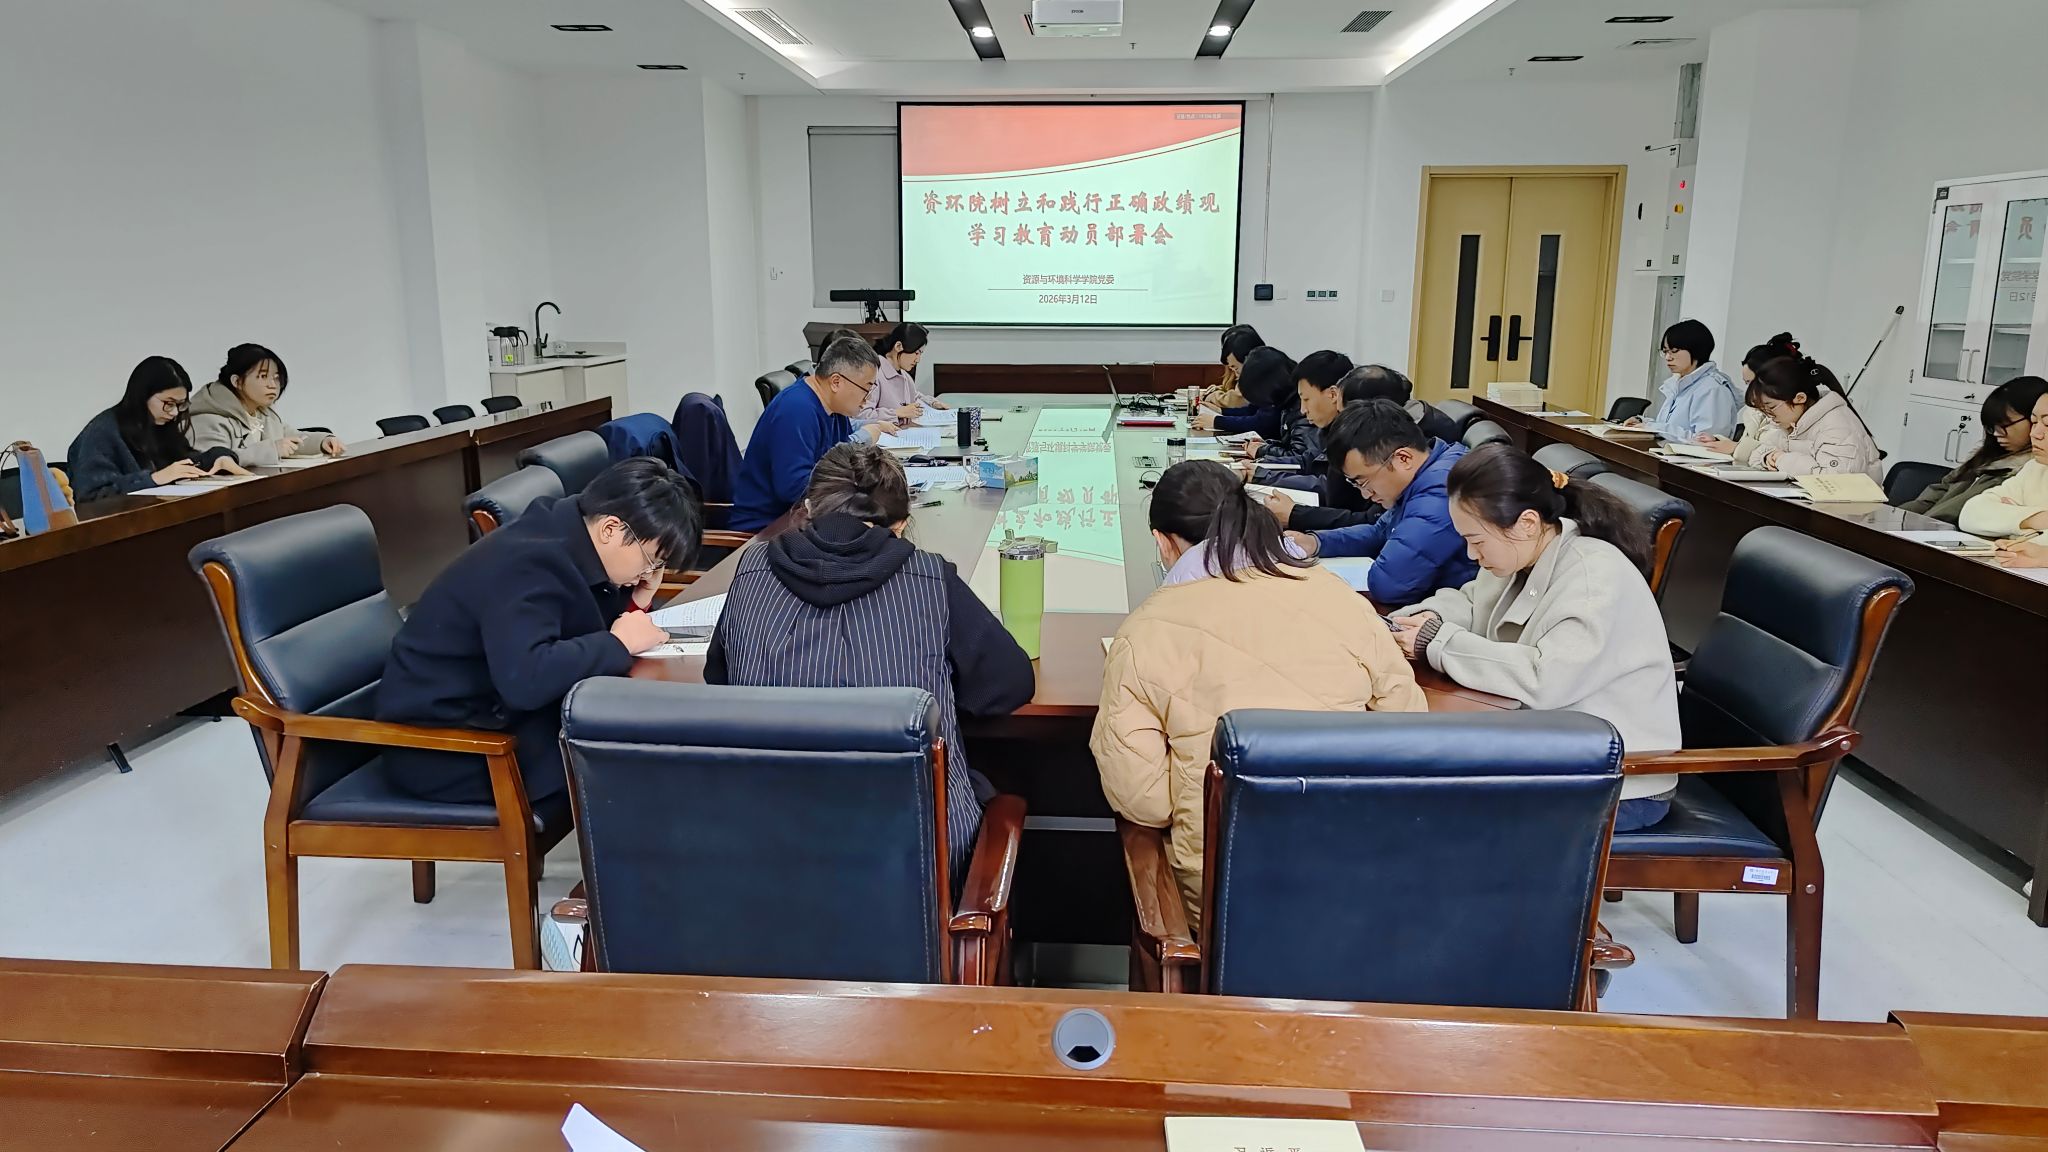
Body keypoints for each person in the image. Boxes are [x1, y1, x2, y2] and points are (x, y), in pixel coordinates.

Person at [1092, 460, 1426, 929]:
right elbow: (1407, 728)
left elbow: (1145, 802)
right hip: (1358, 879)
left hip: (1225, 901)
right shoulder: (1340, 598)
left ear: (1163, 542)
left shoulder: (1144, 633)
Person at [705, 443, 1034, 882]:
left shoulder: (751, 570)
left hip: (768, 862)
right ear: (901, 525)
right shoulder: (930, 579)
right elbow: (1009, 682)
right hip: (919, 870)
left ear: (808, 510)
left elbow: (719, 678)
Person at [377, 457, 701, 805]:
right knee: (635, 751)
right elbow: (527, 680)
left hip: (495, 712)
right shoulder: (529, 563)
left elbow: (582, 625)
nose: (650, 572)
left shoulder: (569, 533)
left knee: (639, 733)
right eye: (651, 560)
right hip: (447, 746)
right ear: (610, 529)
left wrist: (637, 601)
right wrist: (617, 643)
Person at [1390, 445, 1680, 830]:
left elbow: (1545, 680)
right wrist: (1430, 617)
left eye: (1477, 540)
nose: (1471, 554)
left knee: (1442, 810)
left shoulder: (1594, 578)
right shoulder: (1526, 551)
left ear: (1526, 522)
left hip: (1618, 783)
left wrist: (1439, 642)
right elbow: (1472, 601)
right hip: (1559, 753)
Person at [1285, 400, 1479, 608]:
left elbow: (1390, 585)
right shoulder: (1426, 473)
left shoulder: (1443, 488)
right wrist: (1315, 542)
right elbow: (1379, 532)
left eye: (1363, 482)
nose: (1365, 494)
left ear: (1403, 459)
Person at [731, 336, 896, 532]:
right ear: (836, 382)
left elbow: (843, 463)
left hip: (807, 517)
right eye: (866, 389)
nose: (867, 399)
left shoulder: (835, 410)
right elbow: (794, 488)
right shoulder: (796, 410)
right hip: (769, 528)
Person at [67, 356, 247, 501]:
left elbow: (185, 462)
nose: (174, 412)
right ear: (142, 396)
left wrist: (219, 457)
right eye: (168, 403)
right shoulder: (103, 431)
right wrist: (153, 479)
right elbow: (91, 495)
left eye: (180, 404)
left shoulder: (161, 425)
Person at [1720, 349, 1883, 480]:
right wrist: (1767, 457)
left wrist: (1782, 459)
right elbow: (1760, 451)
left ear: (1799, 398)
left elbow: (1833, 481)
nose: (1769, 416)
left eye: (1771, 408)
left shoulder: (1838, 428)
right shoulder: (1793, 421)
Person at [1902, 376, 2048, 521]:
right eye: (1991, 427)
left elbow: (1966, 516)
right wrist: (1900, 516)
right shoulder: (1987, 456)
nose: (1996, 433)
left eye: (2004, 425)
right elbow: (1940, 490)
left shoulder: (2027, 473)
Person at [187, 344, 344, 465]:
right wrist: (271, 450)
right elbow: (211, 462)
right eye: (263, 376)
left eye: (276, 377)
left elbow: (292, 438)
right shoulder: (207, 418)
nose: (273, 385)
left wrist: (323, 441)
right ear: (237, 381)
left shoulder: (263, 413)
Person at [1961, 385, 2048, 565]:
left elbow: (2033, 546)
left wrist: (2011, 525)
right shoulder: (2035, 469)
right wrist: (2037, 518)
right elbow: (1971, 514)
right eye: (2034, 422)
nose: (2035, 434)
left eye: (2047, 424)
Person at [1626, 319, 1739, 441]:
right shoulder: (1680, 384)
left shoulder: (1712, 389)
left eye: (1674, 351)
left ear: (1696, 350)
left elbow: (1707, 442)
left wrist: (1654, 427)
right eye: (1665, 351)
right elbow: (1671, 427)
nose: (1668, 357)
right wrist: (1643, 422)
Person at [1246, 350, 1353, 474]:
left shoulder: (1355, 438)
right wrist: (1261, 465)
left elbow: (1325, 483)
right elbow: (1306, 462)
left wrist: (1263, 473)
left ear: (1333, 394)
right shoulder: (1327, 431)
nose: (1303, 410)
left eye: (1306, 399)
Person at [1697, 333, 1801, 457]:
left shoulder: (1787, 414)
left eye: (1753, 383)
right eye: (1747, 384)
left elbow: (1774, 454)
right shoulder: (1753, 412)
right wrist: (1719, 442)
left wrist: (1737, 448)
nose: (1751, 391)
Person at [857, 322, 948, 426]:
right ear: (898, 346)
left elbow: (914, 396)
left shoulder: (904, 375)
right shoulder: (874, 374)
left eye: (920, 354)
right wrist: (897, 413)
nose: (918, 360)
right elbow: (861, 415)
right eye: (916, 353)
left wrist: (933, 403)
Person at [1195, 346, 1292, 438]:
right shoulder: (1271, 381)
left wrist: (1217, 421)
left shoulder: (1276, 390)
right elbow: (1251, 410)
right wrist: (1221, 411)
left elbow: (1261, 423)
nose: (1235, 373)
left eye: (1235, 368)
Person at [1205, 325, 1264, 411]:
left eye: (1234, 367)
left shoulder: (1259, 375)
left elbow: (1236, 400)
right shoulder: (1240, 366)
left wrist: (1213, 397)